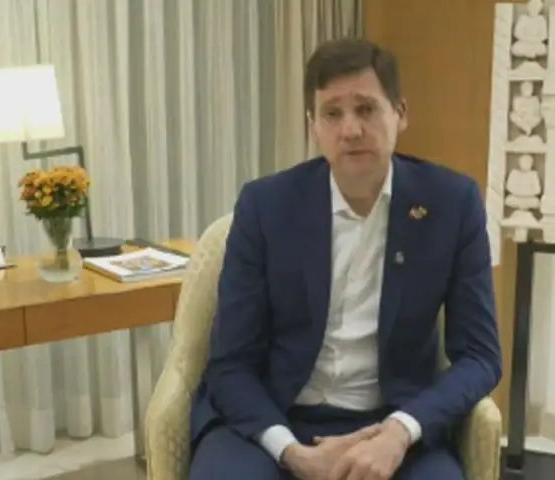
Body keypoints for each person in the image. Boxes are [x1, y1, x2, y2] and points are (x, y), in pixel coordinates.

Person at [189, 38, 502, 480]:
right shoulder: (266, 206)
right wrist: (291, 452)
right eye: (332, 114)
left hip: (393, 420)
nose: (350, 129)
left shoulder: (453, 204)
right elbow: (230, 362)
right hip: (274, 415)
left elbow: (480, 355)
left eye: (366, 109)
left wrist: (401, 431)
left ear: (400, 113)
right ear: (313, 126)